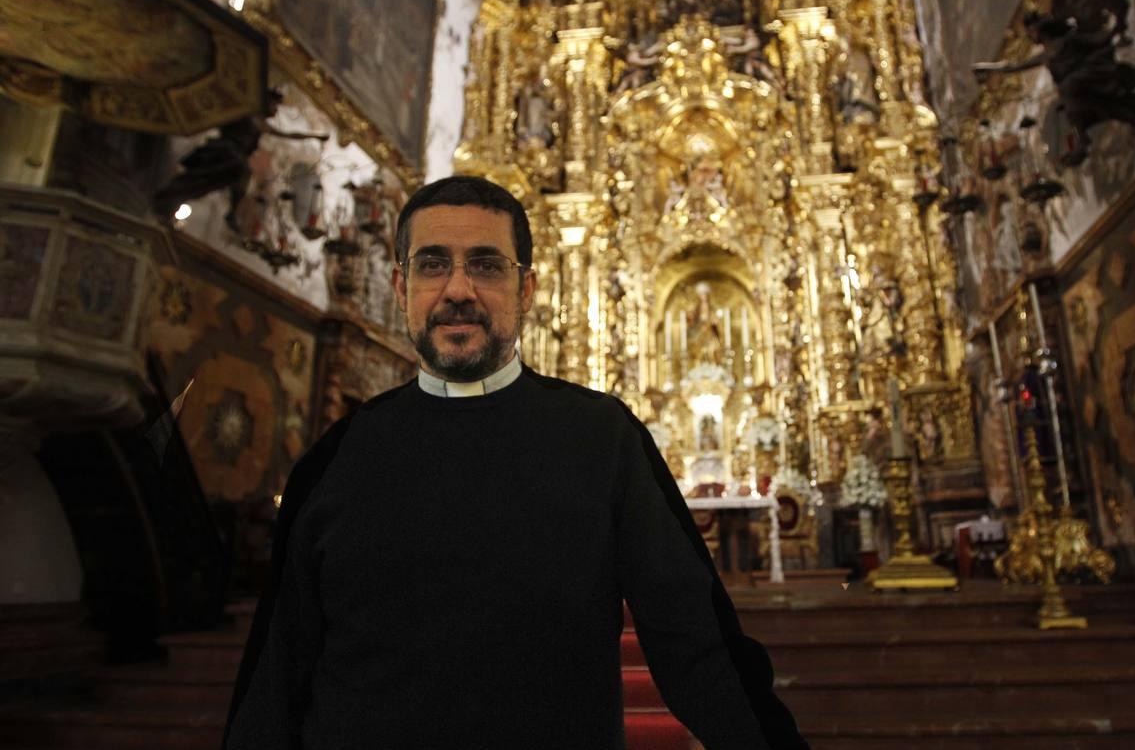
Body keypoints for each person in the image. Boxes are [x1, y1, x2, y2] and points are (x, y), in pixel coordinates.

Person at [223, 176, 808, 749]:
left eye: (485, 264)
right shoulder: (335, 457)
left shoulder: (602, 440)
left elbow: (698, 642)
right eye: (432, 265)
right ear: (401, 288)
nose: (457, 289)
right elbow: (278, 669)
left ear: (526, 289)